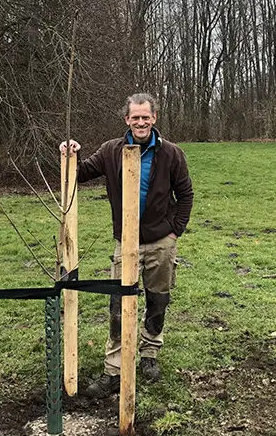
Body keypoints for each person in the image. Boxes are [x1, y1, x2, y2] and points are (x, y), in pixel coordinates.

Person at [60, 93, 193, 398]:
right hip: (125, 243)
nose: (141, 122)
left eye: (146, 117)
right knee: (118, 305)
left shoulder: (171, 154)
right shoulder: (111, 150)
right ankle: (114, 369)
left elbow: (185, 194)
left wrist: (175, 232)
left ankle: (149, 353)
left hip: (161, 242)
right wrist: (71, 153)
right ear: (127, 119)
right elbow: (80, 174)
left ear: (154, 118)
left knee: (158, 300)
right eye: (135, 117)